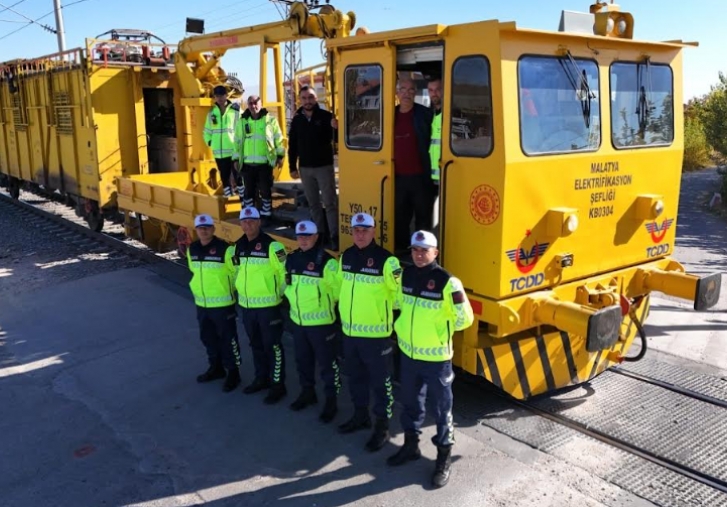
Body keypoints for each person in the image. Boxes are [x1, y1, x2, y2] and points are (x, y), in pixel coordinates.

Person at [386, 230, 475, 489]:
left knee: (441, 410)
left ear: (435, 252)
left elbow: (464, 319)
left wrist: (439, 331)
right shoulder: (406, 275)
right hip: (409, 354)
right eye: (415, 249)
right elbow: (398, 303)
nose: (419, 254)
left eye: (424, 250)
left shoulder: (448, 282)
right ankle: (411, 446)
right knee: (410, 403)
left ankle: (443, 458)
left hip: (437, 359)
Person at [336, 212, 402, 452]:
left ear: (374, 231)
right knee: (356, 378)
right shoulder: (346, 257)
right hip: (351, 333)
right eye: (356, 230)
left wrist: (386, 320)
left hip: (376, 336)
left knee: (381, 383)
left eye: (365, 230)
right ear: (352, 232)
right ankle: (360, 415)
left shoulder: (387, 261)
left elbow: (399, 297)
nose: (360, 234)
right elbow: (340, 289)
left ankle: (382, 427)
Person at [284, 220, 342, 422]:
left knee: (328, 366)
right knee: (303, 362)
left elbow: (337, 293)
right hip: (298, 323)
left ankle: (331, 402)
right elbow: (289, 285)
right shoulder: (292, 259)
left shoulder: (327, 262)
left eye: (308, 236)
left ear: (316, 237)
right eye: (300, 236)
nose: (303, 240)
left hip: (321, 325)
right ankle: (308, 393)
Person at [229, 206, 288, 404]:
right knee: (256, 345)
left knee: (273, 347)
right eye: (244, 222)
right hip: (246, 307)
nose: (248, 225)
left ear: (259, 222)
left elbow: (284, 275)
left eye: (251, 221)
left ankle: (278, 385)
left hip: (268, 307)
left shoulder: (273, 247)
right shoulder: (237, 247)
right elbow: (235, 271)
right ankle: (261, 378)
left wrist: (276, 294)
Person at [187, 213, 241, 392]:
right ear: (196, 230)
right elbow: (194, 271)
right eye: (200, 228)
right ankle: (216, 368)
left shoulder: (226, 249)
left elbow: (237, 273)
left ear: (213, 229)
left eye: (207, 227)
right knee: (208, 337)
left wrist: (227, 289)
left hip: (223, 304)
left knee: (228, 339)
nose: (204, 230)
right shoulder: (192, 248)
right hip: (202, 304)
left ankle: (233, 372)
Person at [288, 86, 339, 250]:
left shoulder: (326, 117)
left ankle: (335, 235)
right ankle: (320, 235)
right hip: (305, 168)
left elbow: (337, 140)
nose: (307, 101)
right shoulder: (297, 120)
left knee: (330, 203)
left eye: (310, 97)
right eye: (304, 98)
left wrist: (336, 128)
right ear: (299, 100)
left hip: (324, 167)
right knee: (314, 204)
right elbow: (292, 145)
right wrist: (292, 166)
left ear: (316, 99)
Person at [393, 77, 434, 253]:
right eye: (403, 89)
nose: (406, 93)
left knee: (423, 218)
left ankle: (421, 251)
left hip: (421, 177)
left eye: (411, 90)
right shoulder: (389, 115)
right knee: (400, 217)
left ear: (415, 93)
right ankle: (402, 251)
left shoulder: (425, 114)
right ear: (397, 92)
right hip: (397, 177)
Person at [232, 95, 285, 225]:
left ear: (261, 103)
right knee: (248, 191)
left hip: (264, 164)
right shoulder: (242, 122)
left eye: (256, 103)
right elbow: (237, 142)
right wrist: (235, 159)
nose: (253, 105)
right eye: (250, 103)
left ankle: (266, 215)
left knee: (265, 191)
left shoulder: (270, 121)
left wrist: (280, 156)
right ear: (247, 105)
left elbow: (278, 139)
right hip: (247, 164)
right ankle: (249, 214)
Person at [203, 85, 241, 199]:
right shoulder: (211, 113)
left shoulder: (235, 111)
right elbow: (207, 131)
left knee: (238, 177)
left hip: (234, 151)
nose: (219, 98)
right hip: (219, 153)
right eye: (217, 96)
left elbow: (242, 128)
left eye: (222, 95)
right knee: (224, 178)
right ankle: (229, 199)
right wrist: (210, 142)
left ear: (226, 96)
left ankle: (244, 200)